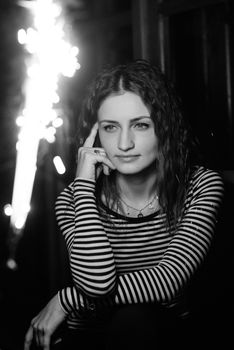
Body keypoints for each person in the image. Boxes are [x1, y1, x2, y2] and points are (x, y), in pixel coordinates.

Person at [24, 59, 224, 350]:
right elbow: (97, 284)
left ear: (165, 128)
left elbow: (169, 281)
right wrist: (83, 186)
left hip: (161, 335)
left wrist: (66, 300)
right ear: (94, 136)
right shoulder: (73, 199)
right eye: (110, 127)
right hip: (91, 336)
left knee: (134, 320)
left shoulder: (200, 186)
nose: (125, 143)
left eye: (141, 125)